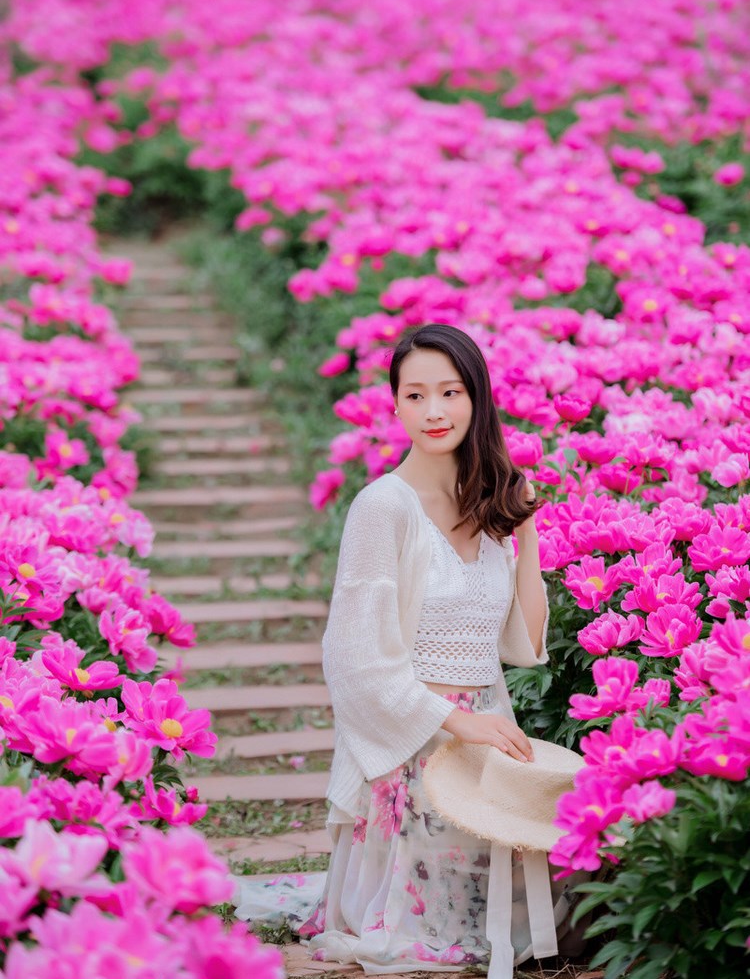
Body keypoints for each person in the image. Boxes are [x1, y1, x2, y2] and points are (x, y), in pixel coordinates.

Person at [234, 323, 578, 973]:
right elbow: (356, 658)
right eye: (415, 395)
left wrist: (526, 533)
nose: (434, 412)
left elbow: (527, 644)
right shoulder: (382, 508)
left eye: (450, 392)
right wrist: (457, 720)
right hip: (410, 734)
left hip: (485, 734)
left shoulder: (492, 502)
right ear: (393, 404)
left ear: (477, 399)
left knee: (535, 921)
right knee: (421, 936)